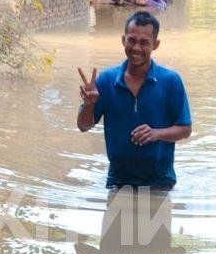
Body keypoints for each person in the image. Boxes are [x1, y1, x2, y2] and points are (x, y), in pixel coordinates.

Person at [77, 10, 192, 190]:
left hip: (160, 184)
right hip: (117, 182)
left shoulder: (171, 81)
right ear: (123, 40)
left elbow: (185, 130)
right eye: (132, 40)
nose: (136, 48)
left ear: (156, 44)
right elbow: (83, 126)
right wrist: (88, 105)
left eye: (144, 42)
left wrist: (157, 133)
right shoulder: (106, 80)